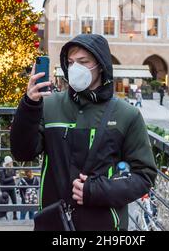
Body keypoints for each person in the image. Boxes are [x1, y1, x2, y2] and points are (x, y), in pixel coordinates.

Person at [11, 34, 157, 231]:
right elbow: (22, 152)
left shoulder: (126, 114)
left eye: (83, 62)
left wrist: (96, 190)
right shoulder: (50, 105)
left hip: (104, 227)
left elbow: (143, 176)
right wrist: (29, 105)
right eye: (70, 62)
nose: (75, 68)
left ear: (100, 65)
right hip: (55, 223)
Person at [0, 155, 19, 220]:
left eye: (12, 162)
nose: (12, 163)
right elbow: (3, 180)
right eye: (11, 162)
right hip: (5, 188)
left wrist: (16, 176)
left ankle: (15, 216)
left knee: (15, 202)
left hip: (12, 187)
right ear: (7, 163)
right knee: (5, 203)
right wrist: (13, 178)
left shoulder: (13, 168)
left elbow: (14, 176)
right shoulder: (2, 170)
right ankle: (4, 216)